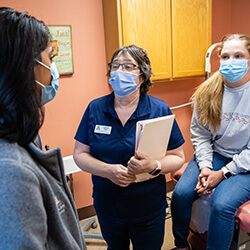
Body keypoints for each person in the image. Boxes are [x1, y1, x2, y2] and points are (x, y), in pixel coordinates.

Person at [73, 44, 185, 250]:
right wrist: (108, 171)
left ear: (142, 76)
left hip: (148, 206)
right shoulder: (95, 108)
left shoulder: (159, 109)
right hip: (108, 206)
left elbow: (178, 156)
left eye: (128, 66)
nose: (119, 71)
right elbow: (80, 154)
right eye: (115, 66)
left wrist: (154, 165)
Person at [0, 8, 84, 249]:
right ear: (26, 65)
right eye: (51, 58)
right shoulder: (11, 171)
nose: (52, 70)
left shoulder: (20, 132)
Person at [171, 34, 250, 250]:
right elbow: (200, 134)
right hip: (216, 154)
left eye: (238, 55)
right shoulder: (207, 92)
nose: (231, 61)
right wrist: (205, 166)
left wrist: (222, 173)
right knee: (181, 194)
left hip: (246, 165)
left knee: (222, 204)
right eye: (225, 56)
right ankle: (181, 245)